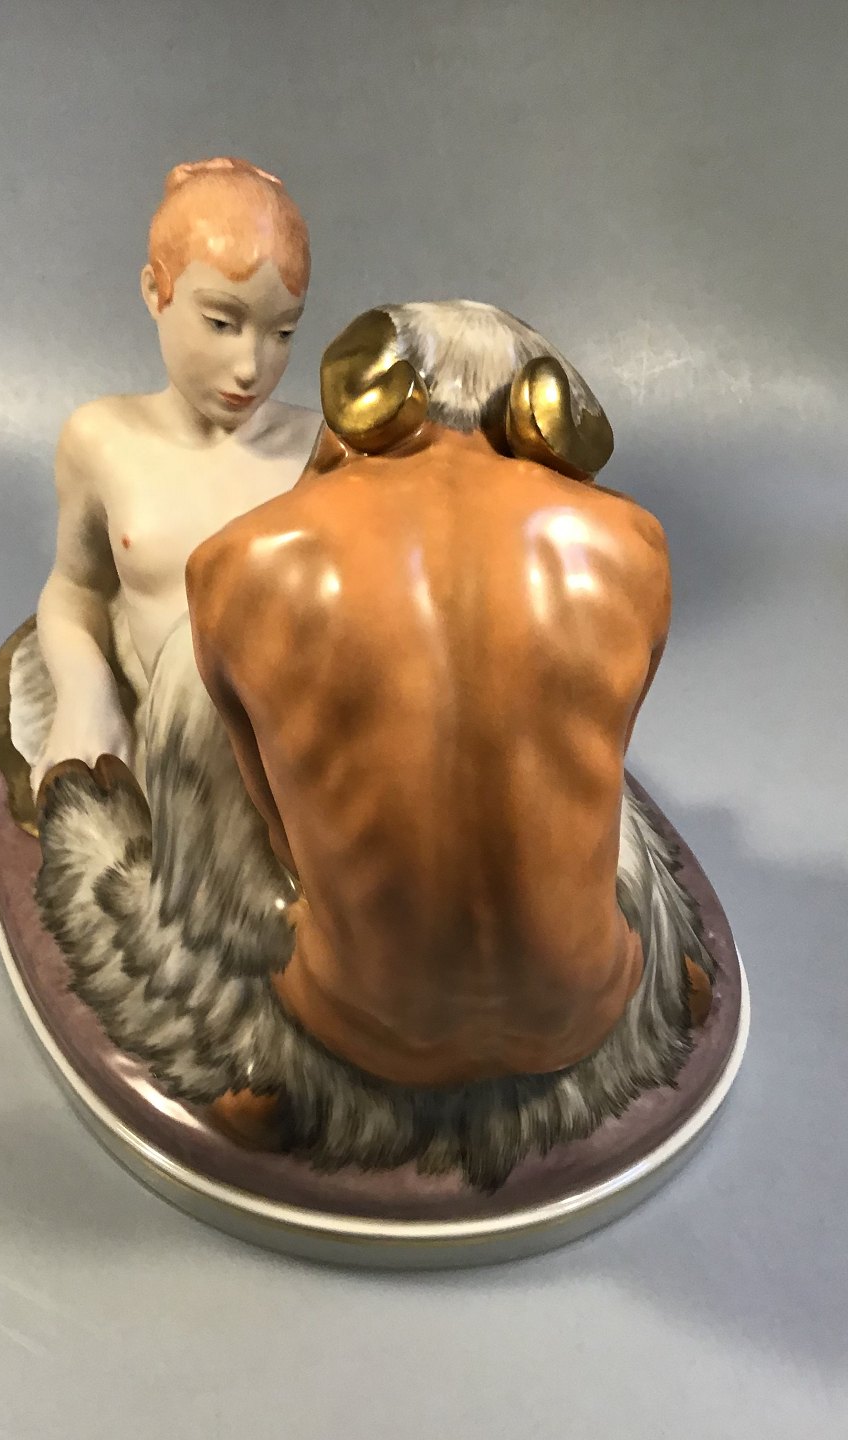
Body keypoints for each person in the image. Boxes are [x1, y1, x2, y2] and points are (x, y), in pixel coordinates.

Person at [36, 301, 714, 1192]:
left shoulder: (235, 560)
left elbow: (277, 832)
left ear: (373, 402)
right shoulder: (639, 545)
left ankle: (274, 1079)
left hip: (357, 1027)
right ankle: (660, 991)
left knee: (218, 864)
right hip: (584, 1007)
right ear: (538, 413)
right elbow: (606, 775)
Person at [28, 157, 321, 796]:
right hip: (164, 762)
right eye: (221, 322)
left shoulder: (322, 452)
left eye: (283, 332)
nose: (251, 366)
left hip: (295, 770)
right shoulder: (101, 440)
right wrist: (86, 693)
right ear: (154, 291)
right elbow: (76, 589)